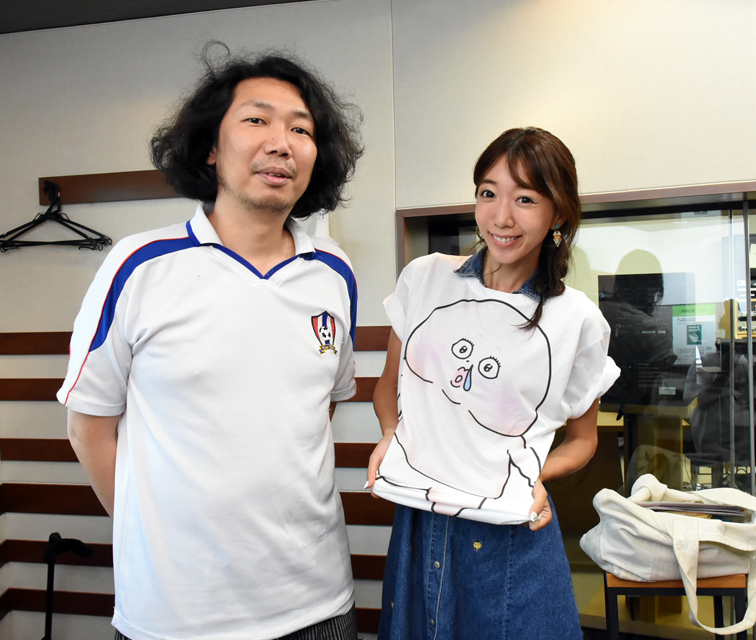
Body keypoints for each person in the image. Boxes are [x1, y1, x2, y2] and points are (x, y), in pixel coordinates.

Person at [57, 47, 363, 640]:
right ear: (211, 148)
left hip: (320, 605)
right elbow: (88, 427)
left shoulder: (333, 270)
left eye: (300, 129)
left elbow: (315, 410)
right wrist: (155, 541)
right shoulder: (139, 265)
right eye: (256, 120)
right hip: (176, 617)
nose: (281, 143)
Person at [366, 127, 620, 639]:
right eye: (488, 193)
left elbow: (583, 440)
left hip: (508, 531)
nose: (501, 217)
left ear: (558, 214)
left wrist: (535, 477)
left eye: (525, 199)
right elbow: (387, 388)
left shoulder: (577, 321)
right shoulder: (424, 278)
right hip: (419, 514)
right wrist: (392, 435)